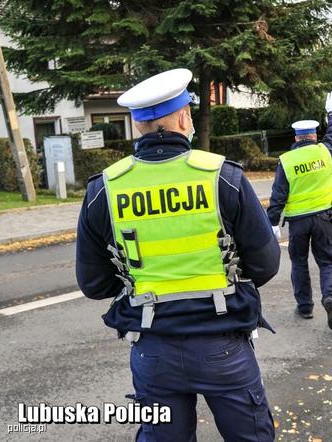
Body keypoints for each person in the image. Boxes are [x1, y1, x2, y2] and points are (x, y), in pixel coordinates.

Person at [75, 68, 280, 442]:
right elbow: (265, 265)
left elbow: (93, 284)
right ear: (185, 117)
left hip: (153, 351)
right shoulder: (223, 176)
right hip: (224, 345)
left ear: (137, 126)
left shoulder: (104, 189)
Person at [267, 92, 332, 331]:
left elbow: (278, 195)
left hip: (298, 222)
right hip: (324, 218)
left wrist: (272, 223)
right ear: (314, 135)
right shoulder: (325, 151)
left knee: (299, 263)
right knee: (328, 262)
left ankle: (305, 307)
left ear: (297, 137)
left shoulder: (287, 161)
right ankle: (330, 297)